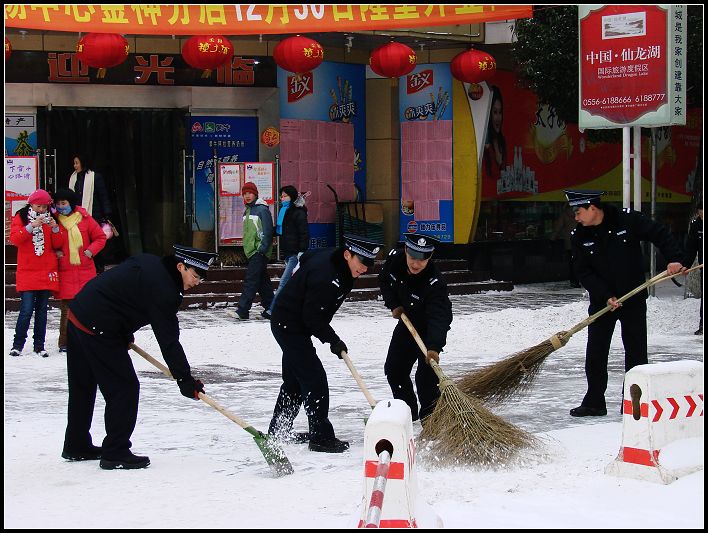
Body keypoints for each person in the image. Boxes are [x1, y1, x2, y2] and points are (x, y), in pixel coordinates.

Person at [62, 244, 216, 469]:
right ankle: (116, 452)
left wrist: (123, 331)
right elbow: (169, 340)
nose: (196, 282)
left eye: (200, 280)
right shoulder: (165, 290)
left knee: (82, 385)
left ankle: (76, 444)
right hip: (98, 328)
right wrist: (184, 379)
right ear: (180, 266)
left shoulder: (150, 262)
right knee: (124, 388)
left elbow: (124, 291)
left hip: (78, 313)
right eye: (194, 276)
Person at [565, 190, 687, 417]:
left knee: (636, 353)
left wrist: (674, 258)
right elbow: (583, 272)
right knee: (596, 352)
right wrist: (605, 295)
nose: (576, 217)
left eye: (578, 211)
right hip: (604, 302)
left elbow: (659, 233)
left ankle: (632, 405)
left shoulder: (627, 220)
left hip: (633, 297)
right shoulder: (579, 235)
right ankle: (594, 402)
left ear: (593, 208)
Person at [267, 234, 382, 453]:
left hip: (291, 321)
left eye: (369, 264)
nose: (365, 268)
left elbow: (308, 257)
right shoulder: (327, 277)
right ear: (348, 254)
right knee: (314, 380)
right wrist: (334, 341)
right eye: (361, 262)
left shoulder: (338, 262)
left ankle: (279, 430)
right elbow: (313, 318)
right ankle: (320, 438)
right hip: (290, 325)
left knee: (294, 381)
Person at [378, 233, 453, 423]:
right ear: (406, 251)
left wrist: (434, 347)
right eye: (413, 257)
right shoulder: (395, 260)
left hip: (429, 329)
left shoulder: (435, 283)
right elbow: (384, 280)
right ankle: (406, 414)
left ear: (430, 257)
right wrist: (393, 304)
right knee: (394, 369)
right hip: (407, 322)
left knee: (425, 378)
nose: (416, 264)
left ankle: (431, 420)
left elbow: (440, 318)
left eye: (422, 259)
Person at [8, 189, 65, 358]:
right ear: (31, 204)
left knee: (42, 310)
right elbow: (15, 239)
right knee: (26, 310)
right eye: (38, 206)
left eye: (44, 206)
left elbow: (58, 244)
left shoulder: (51, 219)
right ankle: (17, 344)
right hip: (27, 269)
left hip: (46, 269)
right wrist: (31, 226)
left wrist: (55, 229)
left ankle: (39, 345)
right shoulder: (21, 217)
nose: (41, 210)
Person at [53, 188, 107, 353]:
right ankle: (65, 342)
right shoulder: (54, 221)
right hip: (65, 271)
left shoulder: (85, 219)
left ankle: (89, 338)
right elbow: (51, 243)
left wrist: (90, 251)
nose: (61, 207)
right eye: (58, 204)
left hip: (85, 271)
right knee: (67, 311)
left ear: (71, 203)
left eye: (64, 203)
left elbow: (100, 237)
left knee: (87, 308)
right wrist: (56, 252)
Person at [266, 185, 309, 320]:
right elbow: (281, 230)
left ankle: (272, 310)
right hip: (288, 253)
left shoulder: (298, 212)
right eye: (281, 196)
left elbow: (304, 233)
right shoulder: (285, 211)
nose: (282, 198)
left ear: (292, 196)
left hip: (295, 254)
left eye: (285, 196)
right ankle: (297, 308)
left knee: (283, 282)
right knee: (293, 284)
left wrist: (302, 251)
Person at [234, 181, 275, 320]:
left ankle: (243, 310)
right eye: (245, 193)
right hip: (252, 252)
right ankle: (272, 308)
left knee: (251, 280)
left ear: (255, 194)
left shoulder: (262, 209)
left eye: (250, 193)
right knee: (263, 283)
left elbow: (268, 231)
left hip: (259, 252)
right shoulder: (247, 211)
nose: (247, 196)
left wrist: (261, 249)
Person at [68, 153, 113, 273]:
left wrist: (106, 213)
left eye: (77, 163)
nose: (75, 166)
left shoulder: (95, 177)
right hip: (77, 216)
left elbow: (103, 195)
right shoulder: (74, 178)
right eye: (74, 163)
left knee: (95, 241)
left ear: (83, 163)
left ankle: (99, 267)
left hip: (94, 215)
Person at [683, 196, 703, 335]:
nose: (702, 216)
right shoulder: (696, 225)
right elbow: (691, 248)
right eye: (700, 213)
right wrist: (686, 265)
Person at [551, 204, 580, 287]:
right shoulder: (580, 212)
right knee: (580, 261)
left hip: (569, 242)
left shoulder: (564, 214)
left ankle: (574, 281)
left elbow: (558, 227)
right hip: (580, 241)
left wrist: (552, 239)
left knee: (572, 263)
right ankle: (579, 279)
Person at [483, 85, 507, 179]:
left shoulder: (502, 141)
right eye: (495, 112)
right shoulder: (485, 142)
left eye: (500, 112)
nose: (498, 118)